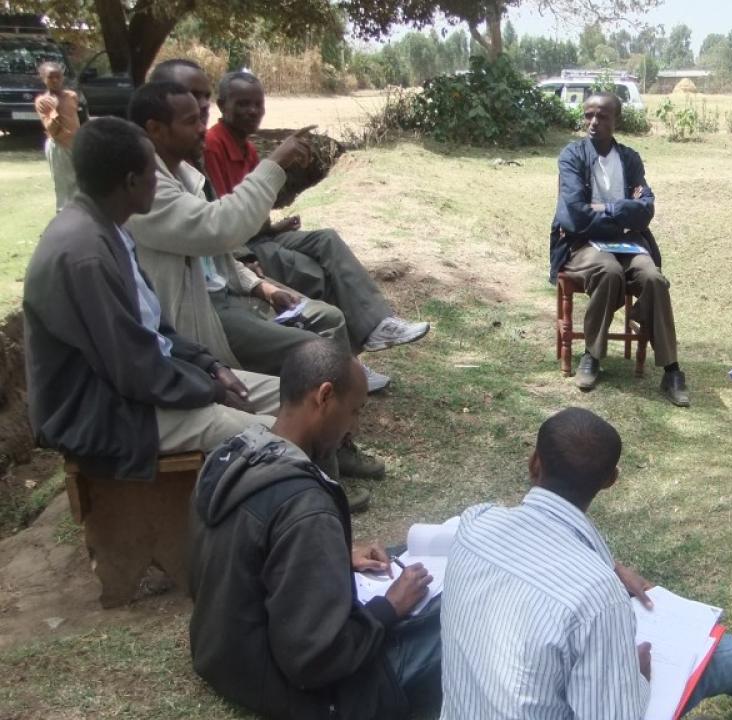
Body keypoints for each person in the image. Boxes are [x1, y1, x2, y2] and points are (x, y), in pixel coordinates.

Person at [441, 407, 732, 718]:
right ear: (611, 480)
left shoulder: (475, 524)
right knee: (683, 664)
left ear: (533, 463)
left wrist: (607, 568)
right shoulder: (596, 600)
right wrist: (640, 680)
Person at [124, 81, 384, 493]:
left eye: (203, 111)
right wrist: (275, 164)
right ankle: (315, 484)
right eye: (192, 118)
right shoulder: (144, 193)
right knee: (310, 370)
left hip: (220, 305)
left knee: (324, 314)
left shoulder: (183, 176)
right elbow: (218, 229)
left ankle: (330, 467)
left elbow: (218, 254)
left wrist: (259, 286)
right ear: (154, 129)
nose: (201, 126)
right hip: (202, 326)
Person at [188, 339, 442, 719]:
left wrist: (334, 557)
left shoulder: (235, 454)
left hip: (219, 653)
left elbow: (247, 554)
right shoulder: (306, 507)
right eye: (354, 412)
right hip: (289, 690)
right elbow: (316, 661)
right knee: (455, 623)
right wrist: (388, 609)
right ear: (324, 396)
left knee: (389, 558)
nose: (352, 428)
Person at [23, 117, 279, 481]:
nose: (159, 182)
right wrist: (211, 391)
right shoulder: (86, 254)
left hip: (145, 387)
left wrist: (210, 367)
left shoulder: (110, 230)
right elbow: (136, 372)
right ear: (130, 182)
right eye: (152, 174)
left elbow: (155, 329)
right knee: (278, 437)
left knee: (292, 397)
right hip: (105, 413)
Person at [201, 69, 430, 368]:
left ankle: (378, 325)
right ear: (222, 105)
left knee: (327, 240)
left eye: (258, 104)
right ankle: (343, 364)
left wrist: (276, 224)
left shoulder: (250, 149)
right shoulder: (212, 146)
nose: (253, 111)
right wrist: (243, 254)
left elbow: (254, 208)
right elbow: (220, 216)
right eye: (243, 104)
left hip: (261, 234)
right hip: (241, 246)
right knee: (313, 273)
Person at [550, 92, 690, 407]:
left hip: (628, 244)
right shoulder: (572, 156)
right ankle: (592, 355)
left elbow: (647, 209)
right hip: (583, 243)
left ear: (617, 120)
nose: (593, 123)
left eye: (602, 116)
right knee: (608, 270)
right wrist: (622, 212)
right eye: (588, 115)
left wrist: (605, 208)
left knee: (653, 277)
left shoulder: (630, 159)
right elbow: (574, 211)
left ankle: (671, 369)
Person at [34, 60, 80, 212]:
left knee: (79, 181)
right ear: (43, 79)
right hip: (58, 146)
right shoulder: (43, 101)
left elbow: (77, 119)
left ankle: (80, 214)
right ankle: (63, 214)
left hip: (76, 143)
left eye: (58, 77)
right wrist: (55, 108)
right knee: (63, 184)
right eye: (50, 77)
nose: (55, 80)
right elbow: (51, 129)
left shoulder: (72, 96)